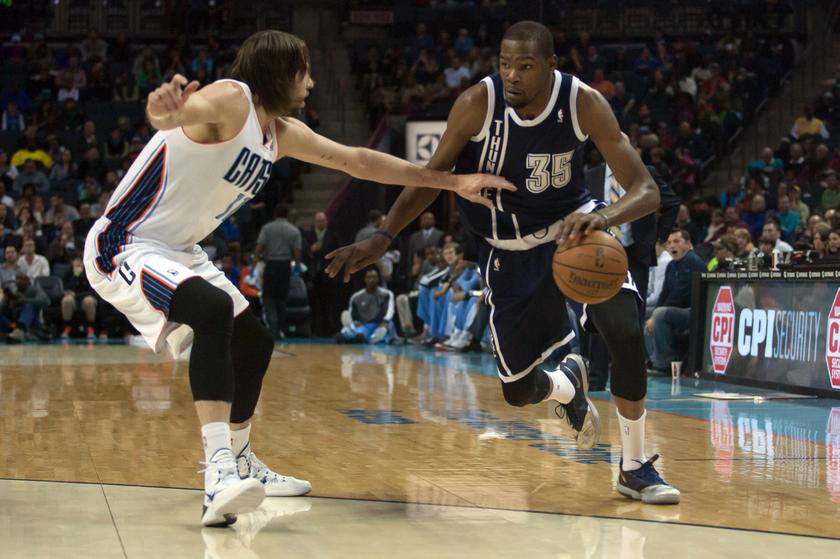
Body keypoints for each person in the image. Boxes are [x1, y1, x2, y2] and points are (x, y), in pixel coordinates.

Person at [82, 30, 512, 528]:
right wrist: (163, 111)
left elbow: (359, 161)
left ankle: (241, 461)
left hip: (179, 250)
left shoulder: (279, 133)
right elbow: (177, 116)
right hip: (125, 242)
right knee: (212, 308)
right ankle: (217, 473)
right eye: (304, 71)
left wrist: (453, 182)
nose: (311, 82)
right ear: (279, 73)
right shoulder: (232, 98)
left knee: (254, 341)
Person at [327, 21, 679, 504]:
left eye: (526, 66)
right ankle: (564, 387)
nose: (512, 75)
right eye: (505, 64)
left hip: (574, 231)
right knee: (516, 390)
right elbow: (431, 179)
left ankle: (635, 466)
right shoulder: (477, 104)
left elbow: (647, 190)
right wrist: (385, 234)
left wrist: (605, 218)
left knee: (624, 329)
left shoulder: (583, 103)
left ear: (551, 66)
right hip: (507, 248)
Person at [254, 204, 301, 339]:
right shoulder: (294, 230)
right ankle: (281, 328)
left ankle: (273, 329)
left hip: (271, 265)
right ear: (287, 215)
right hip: (285, 266)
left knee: (268, 298)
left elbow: (259, 247)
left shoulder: (267, 228)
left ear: (274, 214)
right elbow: (297, 252)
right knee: (282, 298)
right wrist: (297, 266)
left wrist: (255, 263)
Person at [339, 267, 396, 344]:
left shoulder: (387, 294)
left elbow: (390, 311)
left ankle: (378, 337)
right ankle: (348, 333)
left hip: (380, 324)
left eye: (374, 277)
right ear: (365, 279)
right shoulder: (356, 297)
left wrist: (385, 322)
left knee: (388, 326)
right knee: (357, 334)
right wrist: (355, 322)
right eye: (369, 277)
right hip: (365, 325)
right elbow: (352, 314)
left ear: (378, 279)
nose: (372, 279)